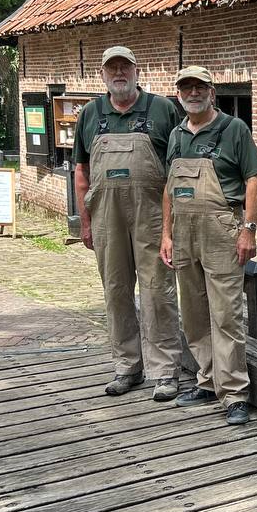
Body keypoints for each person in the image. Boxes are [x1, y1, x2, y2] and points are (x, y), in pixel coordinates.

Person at [74, 45, 183, 401]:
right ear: (103, 75)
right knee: (116, 292)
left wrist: (172, 225)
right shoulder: (91, 113)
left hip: (152, 215)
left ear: (137, 71)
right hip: (106, 217)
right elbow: (81, 171)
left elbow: (179, 167)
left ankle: (165, 370)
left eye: (125, 67)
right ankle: (126, 366)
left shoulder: (163, 109)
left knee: (157, 292)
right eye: (112, 68)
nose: (119, 73)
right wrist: (85, 223)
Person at [159, 65, 257, 426]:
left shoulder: (234, 129)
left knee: (226, 315)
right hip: (184, 232)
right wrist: (166, 234)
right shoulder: (175, 135)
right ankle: (207, 380)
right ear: (179, 94)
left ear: (211, 92)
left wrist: (248, 230)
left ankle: (234, 393)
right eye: (186, 88)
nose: (193, 93)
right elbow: (169, 187)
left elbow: (253, 180)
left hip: (222, 229)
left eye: (199, 87)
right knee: (194, 312)